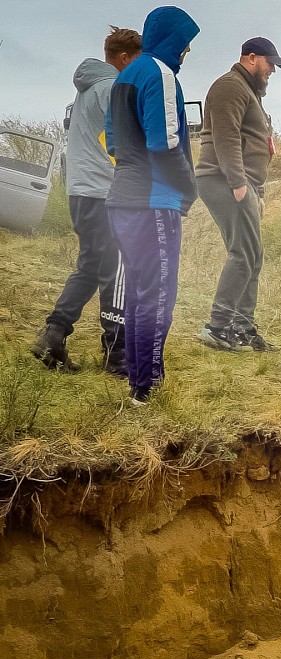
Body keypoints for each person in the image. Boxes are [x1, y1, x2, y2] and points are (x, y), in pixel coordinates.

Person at [31, 27, 141, 375]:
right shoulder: (112, 89)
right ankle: (116, 356)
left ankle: (53, 335)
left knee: (91, 267)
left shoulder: (88, 89)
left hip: (81, 192)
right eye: (136, 62)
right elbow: (122, 143)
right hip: (104, 193)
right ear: (124, 58)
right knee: (114, 270)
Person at [105, 5, 200, 406]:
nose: (187, 52)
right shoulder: (159, 73)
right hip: (153, 202)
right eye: (186, 43)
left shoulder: (124, 77)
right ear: (172, 39)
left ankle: (140, 376)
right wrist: (187, 189)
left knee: (139, 294)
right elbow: (165, 144)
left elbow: (111, 143)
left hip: (123, 200)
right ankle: (146, 389)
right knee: (158, 295)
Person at [195, 37, 281, 352]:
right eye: (270, 63)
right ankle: (218, 327)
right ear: (251, 58)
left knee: (252, 255)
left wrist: (256, 187)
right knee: (243, 254)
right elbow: (226, 137)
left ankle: (242, 328)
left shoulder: (248, 92)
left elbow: (250, 136)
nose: (272, 70)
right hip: (223, 180)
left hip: (244, 183)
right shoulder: (230, 87)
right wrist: (238, 183)